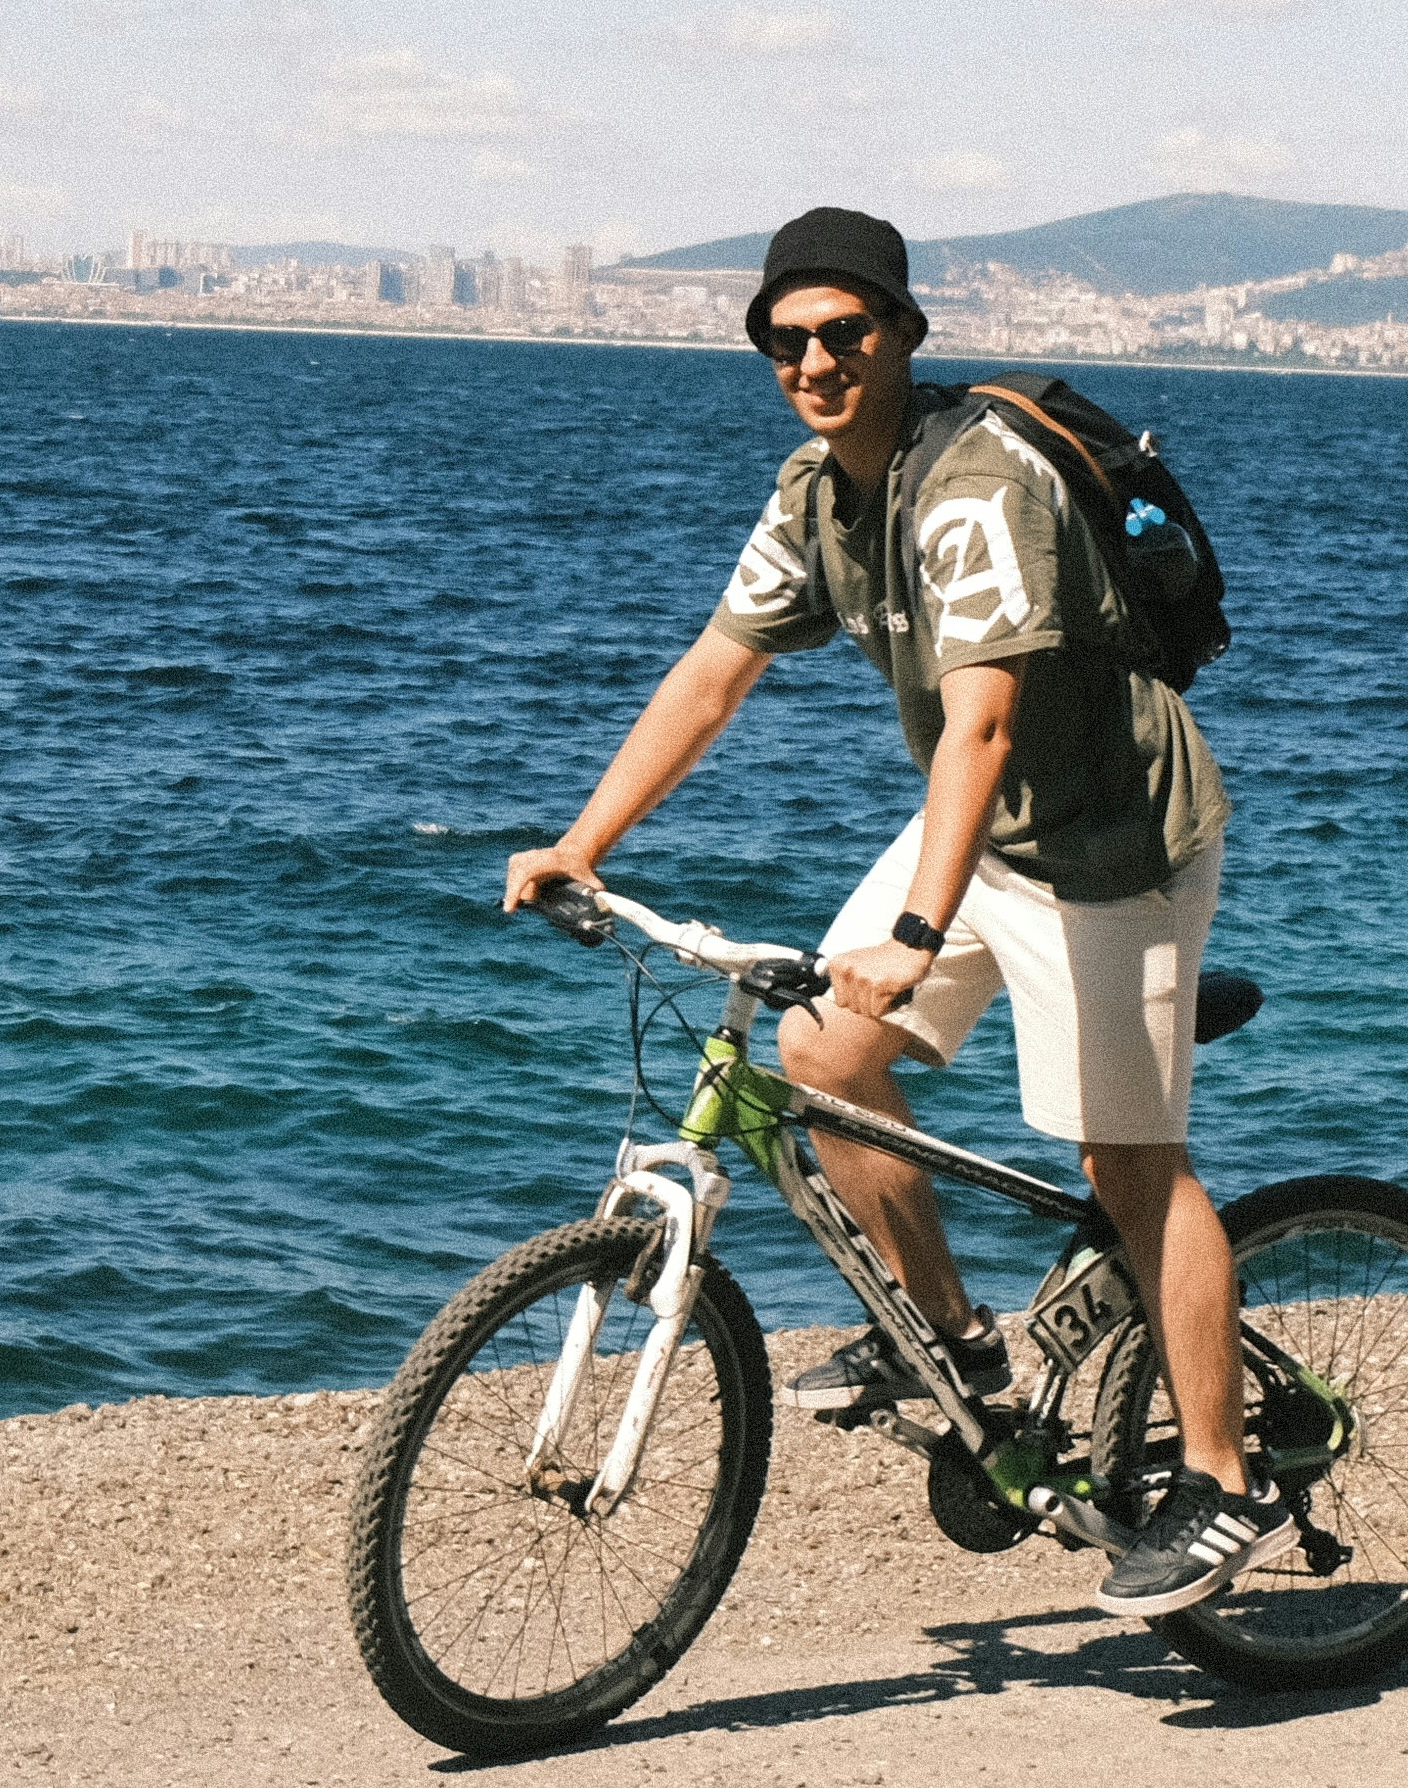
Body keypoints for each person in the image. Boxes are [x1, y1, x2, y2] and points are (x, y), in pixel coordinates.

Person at [499, 204, 1268, 1618]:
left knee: (1129, 1165)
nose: (816, 360)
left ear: (905, 334)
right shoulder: (816, 493)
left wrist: (913, 936)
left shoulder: (973, 487)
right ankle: (962, 1345)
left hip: (1111, 840)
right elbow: (715, 674)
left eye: (846, 333)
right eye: (787, 340)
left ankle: (1219, 1485)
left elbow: (980, 724)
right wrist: (581, 842)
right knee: (824, 1057)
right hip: (981, 831)